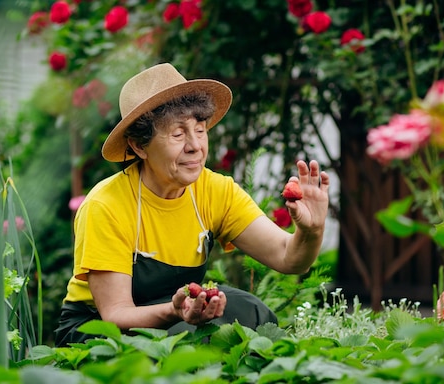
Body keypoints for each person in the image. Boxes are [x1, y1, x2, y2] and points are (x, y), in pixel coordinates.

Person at [54, 63, 330, 346]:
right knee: (185, 338)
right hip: (97, 331)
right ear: (139, 146)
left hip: (177, 316)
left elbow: (288, 257)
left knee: (248, 309)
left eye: (200, 130)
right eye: (177, 134)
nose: (195, 145)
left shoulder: (215, 190)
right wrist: (174, 311)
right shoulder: (106, 205)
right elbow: (115, 314)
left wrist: (311, 230)